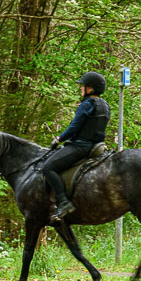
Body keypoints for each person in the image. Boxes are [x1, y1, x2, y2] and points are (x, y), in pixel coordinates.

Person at [43, 71, 111, 221]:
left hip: (81, 146)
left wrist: (58, 139)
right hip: (97, 146)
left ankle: (63, 202)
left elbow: (74, 127)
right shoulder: (105, 105)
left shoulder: (87, 105)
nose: (81, 89)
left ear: (90, 89)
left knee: (48, 167)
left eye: (83, 86)